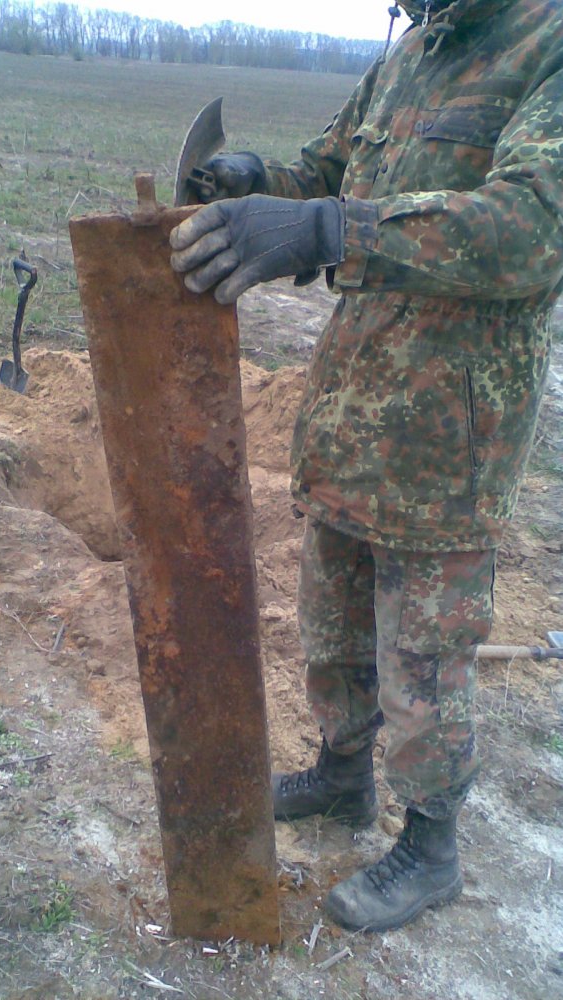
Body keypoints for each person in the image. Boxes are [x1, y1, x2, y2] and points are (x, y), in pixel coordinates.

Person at [170, 0, 563, 932]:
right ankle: (343, 777)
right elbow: (329, 171)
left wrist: (329, 230)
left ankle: (430, 847)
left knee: (423, 656)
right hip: (355, 414)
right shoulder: (412, 53)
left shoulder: (544, 42)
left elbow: (529, 228)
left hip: (449, 438)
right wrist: (256, 179)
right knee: (334, 621)